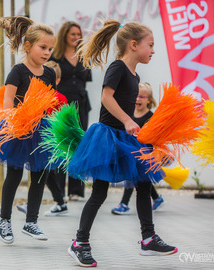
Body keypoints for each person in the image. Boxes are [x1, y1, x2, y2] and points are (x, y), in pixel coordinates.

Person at [63, 20, 178, 267]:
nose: (153, 50)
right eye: (151, 45)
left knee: (144, 183)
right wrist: (127, 120)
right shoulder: (118, 67)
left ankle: (148, 238)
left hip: (124, 139)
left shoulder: (136, 75)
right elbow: (106, 97)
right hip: (107, 138)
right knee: (100, 192)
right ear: (133, 45)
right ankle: (79, 242)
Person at [0, 17, 58, 244]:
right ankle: (4, 219)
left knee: (40, 175)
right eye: (42, 47)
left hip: (41, 130)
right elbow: (7, 103)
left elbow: (49, 103)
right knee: (14, 175)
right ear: (27, 46)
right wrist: (17, 122)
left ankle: (31, 222)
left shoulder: (50, 74)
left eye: (50, 49)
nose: (47, 52)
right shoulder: (18, 71)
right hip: (18, 129)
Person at [16, 61, 69, 217]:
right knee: (44, 173)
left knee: (44, 172)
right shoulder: (37, 97)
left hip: (50, 140)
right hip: (38, 140)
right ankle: (58, 202)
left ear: (56, 80)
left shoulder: (59, 98)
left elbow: (62, 120)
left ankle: (53, 202)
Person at [49, 21, 92, 202]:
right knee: (62, 144)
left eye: (78, 34)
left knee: (79, 144)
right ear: (65, 35)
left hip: (81, 104)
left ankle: (75, 190)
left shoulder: (84, 55)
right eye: (72, 34)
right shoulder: (56, 56)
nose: (76, 37)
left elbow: (85, 81)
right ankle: (58, 190)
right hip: (62, 104)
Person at [111, 82, 165, 215]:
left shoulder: (151, 117)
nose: (137, 99)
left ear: (149, 100)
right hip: (131, 152)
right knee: (141, 179)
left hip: (145, 154)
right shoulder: (129, 115)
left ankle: (124, 203)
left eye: (142, 97)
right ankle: (157, 198)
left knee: (134, 177)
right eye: (136, 96)